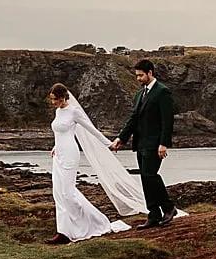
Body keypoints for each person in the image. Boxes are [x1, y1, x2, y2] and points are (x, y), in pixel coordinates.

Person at [44, 83, 143, 243]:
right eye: (52, 99)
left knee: (68, 194)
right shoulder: (58, 111)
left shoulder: (74, 112)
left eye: (55, 99)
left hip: (70, 155)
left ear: (63, 97)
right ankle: (62, 231)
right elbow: (61, 132)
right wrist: (55, 147)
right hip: (59, 156)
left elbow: (91, 129)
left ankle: (93, 222)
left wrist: (108, 144)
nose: (53, 102)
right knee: (58, 193)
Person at [109, 58, 178, 227]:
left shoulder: (162, 92)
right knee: (145, 178)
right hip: (140, 143)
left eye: (141, 75)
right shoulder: (140, 95)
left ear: (150, 73)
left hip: (155, 144)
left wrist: (164, 143)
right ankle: (153, 214)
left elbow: (167, 120)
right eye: (137, 76)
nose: (138, 79)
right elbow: (134, 119)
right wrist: (121, 138)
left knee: (150, 175)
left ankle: (169, 208)